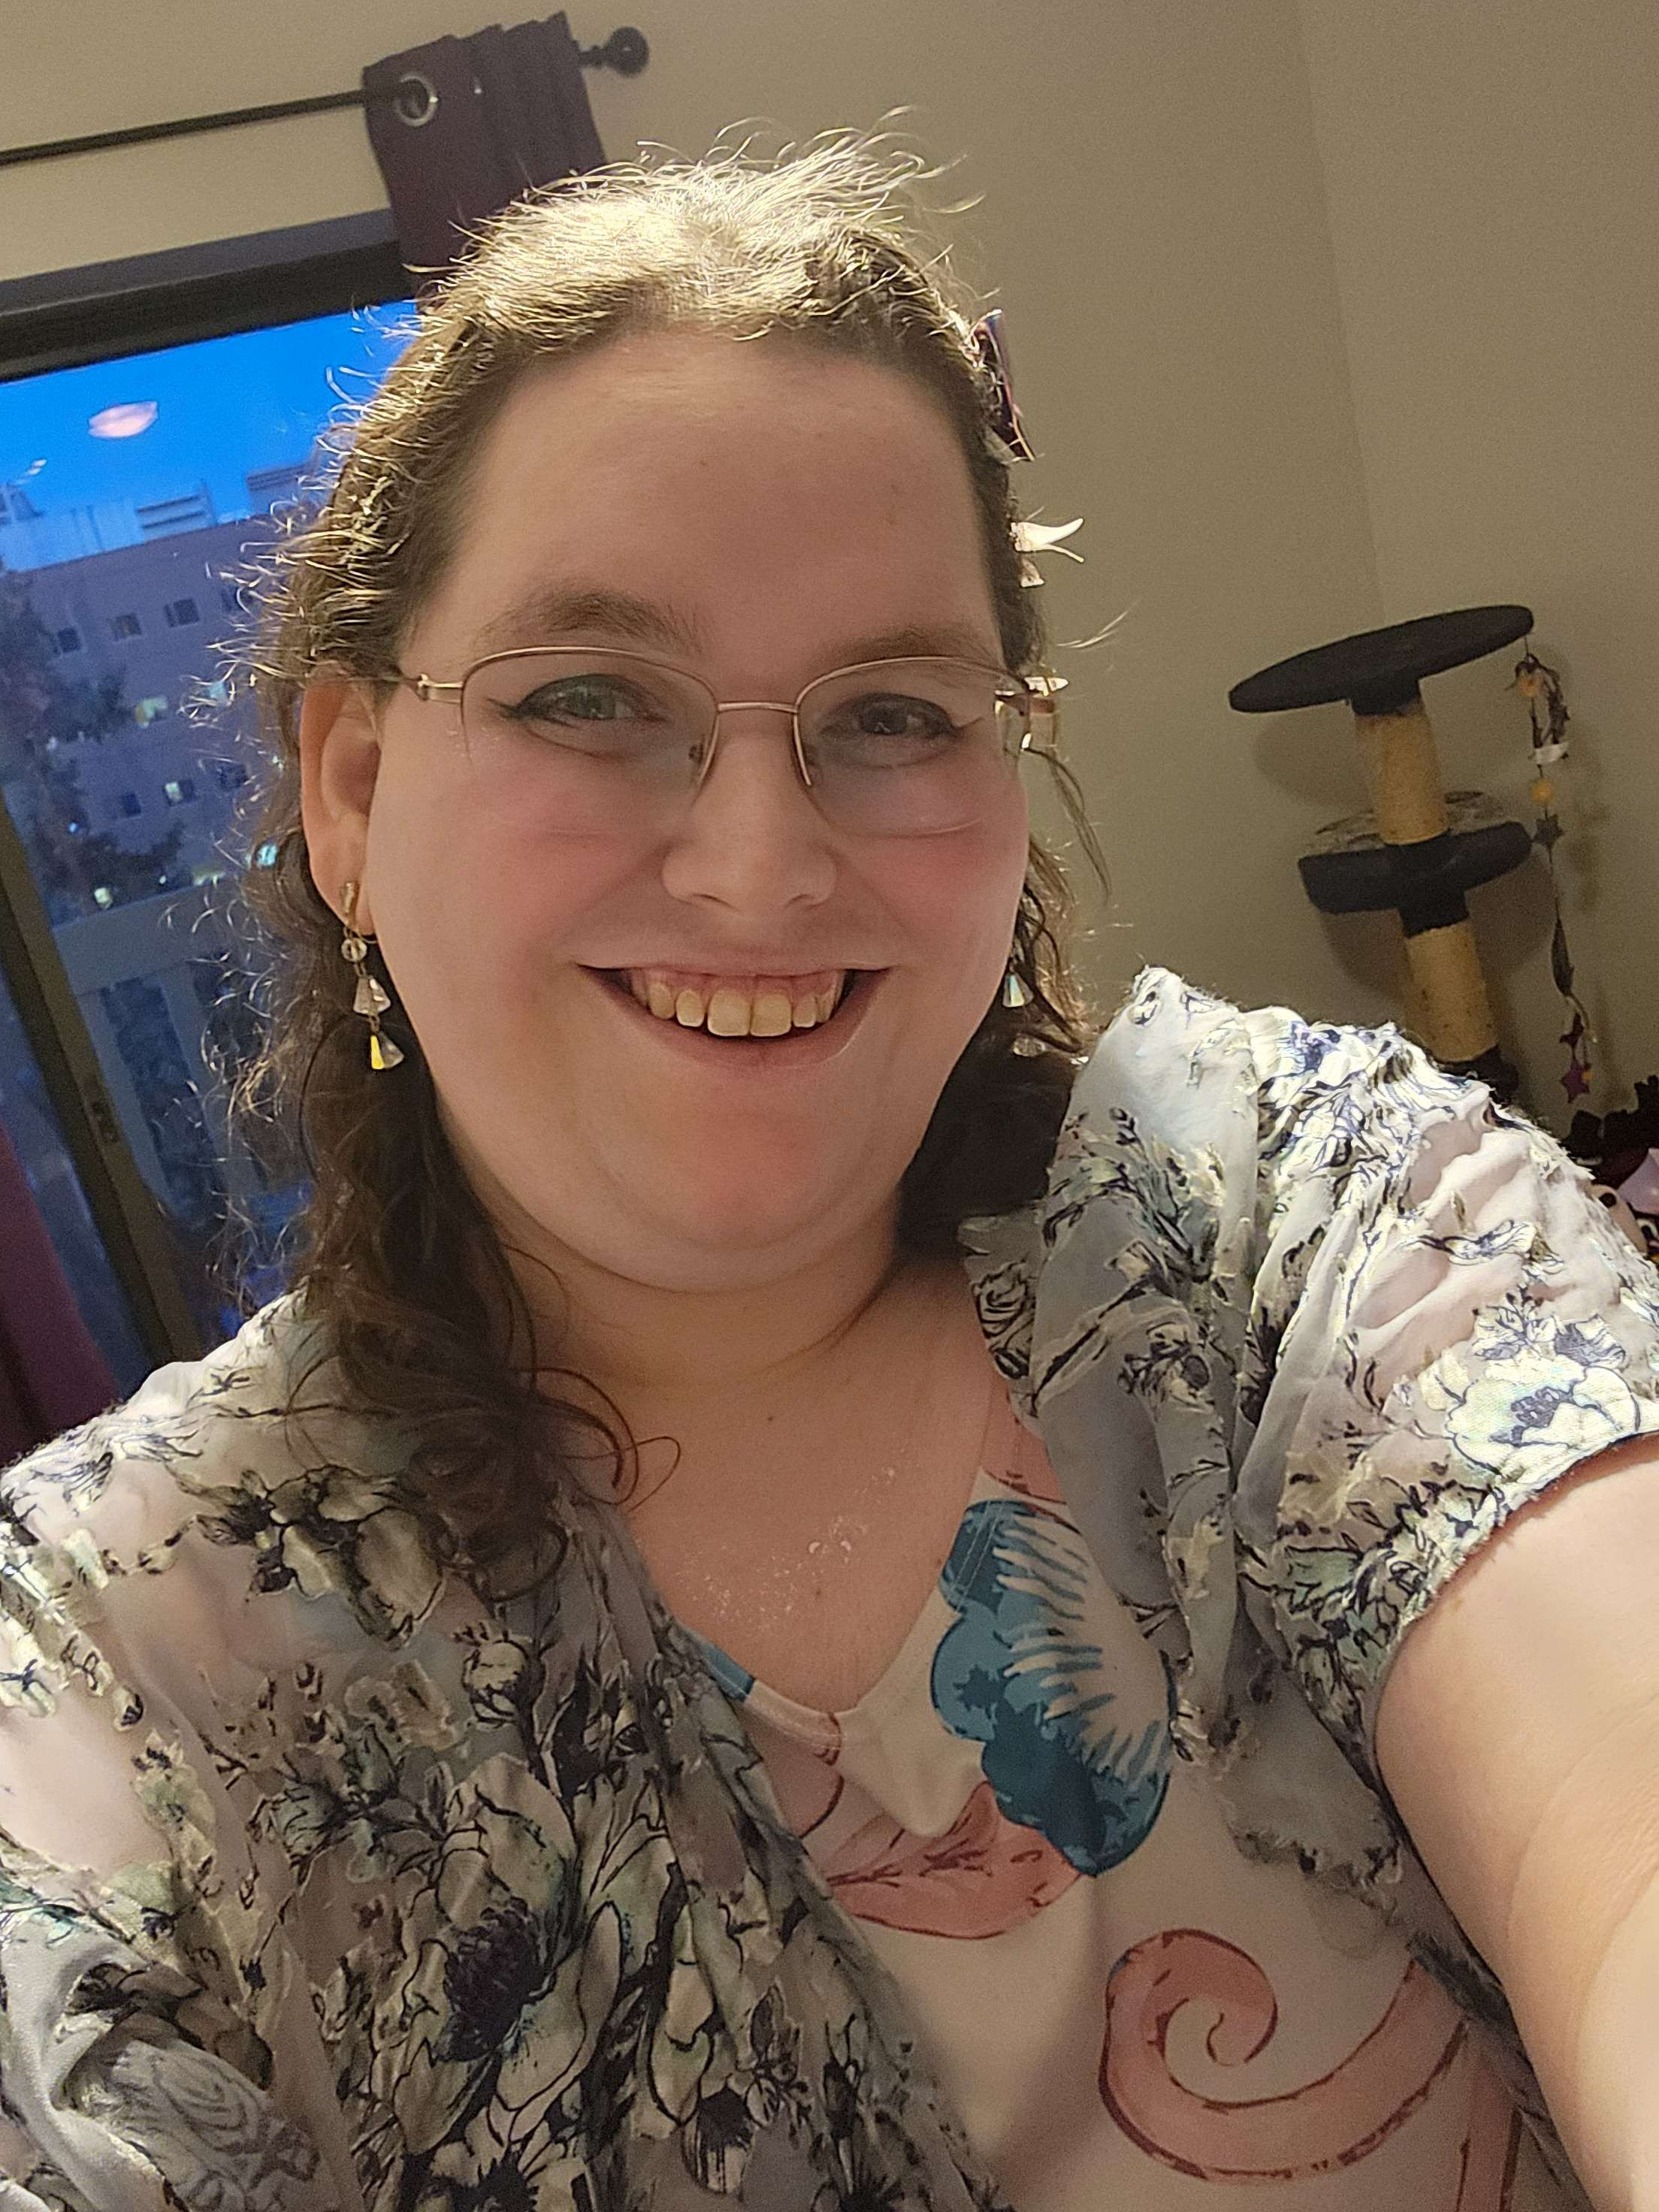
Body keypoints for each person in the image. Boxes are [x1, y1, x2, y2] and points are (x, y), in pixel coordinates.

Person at [0, 137, 1654, 2212]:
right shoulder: (124, 1652)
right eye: (589, 697)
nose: (761, 865)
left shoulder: (1303, 1226)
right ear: (351, 785)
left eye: (891, 711)